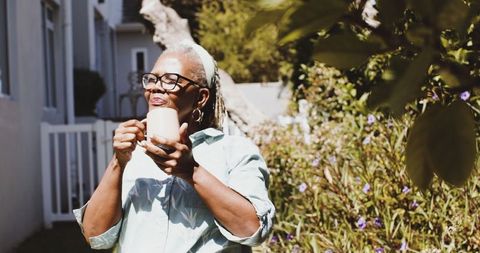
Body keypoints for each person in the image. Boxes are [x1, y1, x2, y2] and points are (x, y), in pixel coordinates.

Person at [73, 40, 275, 252]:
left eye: (171, 80)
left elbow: (254, 229)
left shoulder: (235, 152)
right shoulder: (135, 153)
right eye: (152, 79)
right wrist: (118, 162)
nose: (156, 87)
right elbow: (95, 235)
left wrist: (191, 172)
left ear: (201, 97)